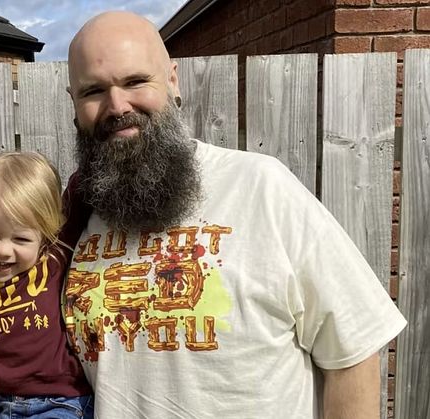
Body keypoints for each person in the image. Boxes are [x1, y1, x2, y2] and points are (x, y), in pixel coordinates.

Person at [61, 11, 407, 419]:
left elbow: (354, 351)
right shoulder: (76, 213)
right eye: (94, 91)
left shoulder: (261, 187)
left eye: (136, 81)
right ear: (74, 103)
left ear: (172, 80)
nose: (117, 106)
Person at [0, 151, 94, 418]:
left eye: (21, 240)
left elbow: (82, 186)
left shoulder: (52, 258)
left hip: (60, 402)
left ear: (45, 236)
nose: (2, 250)